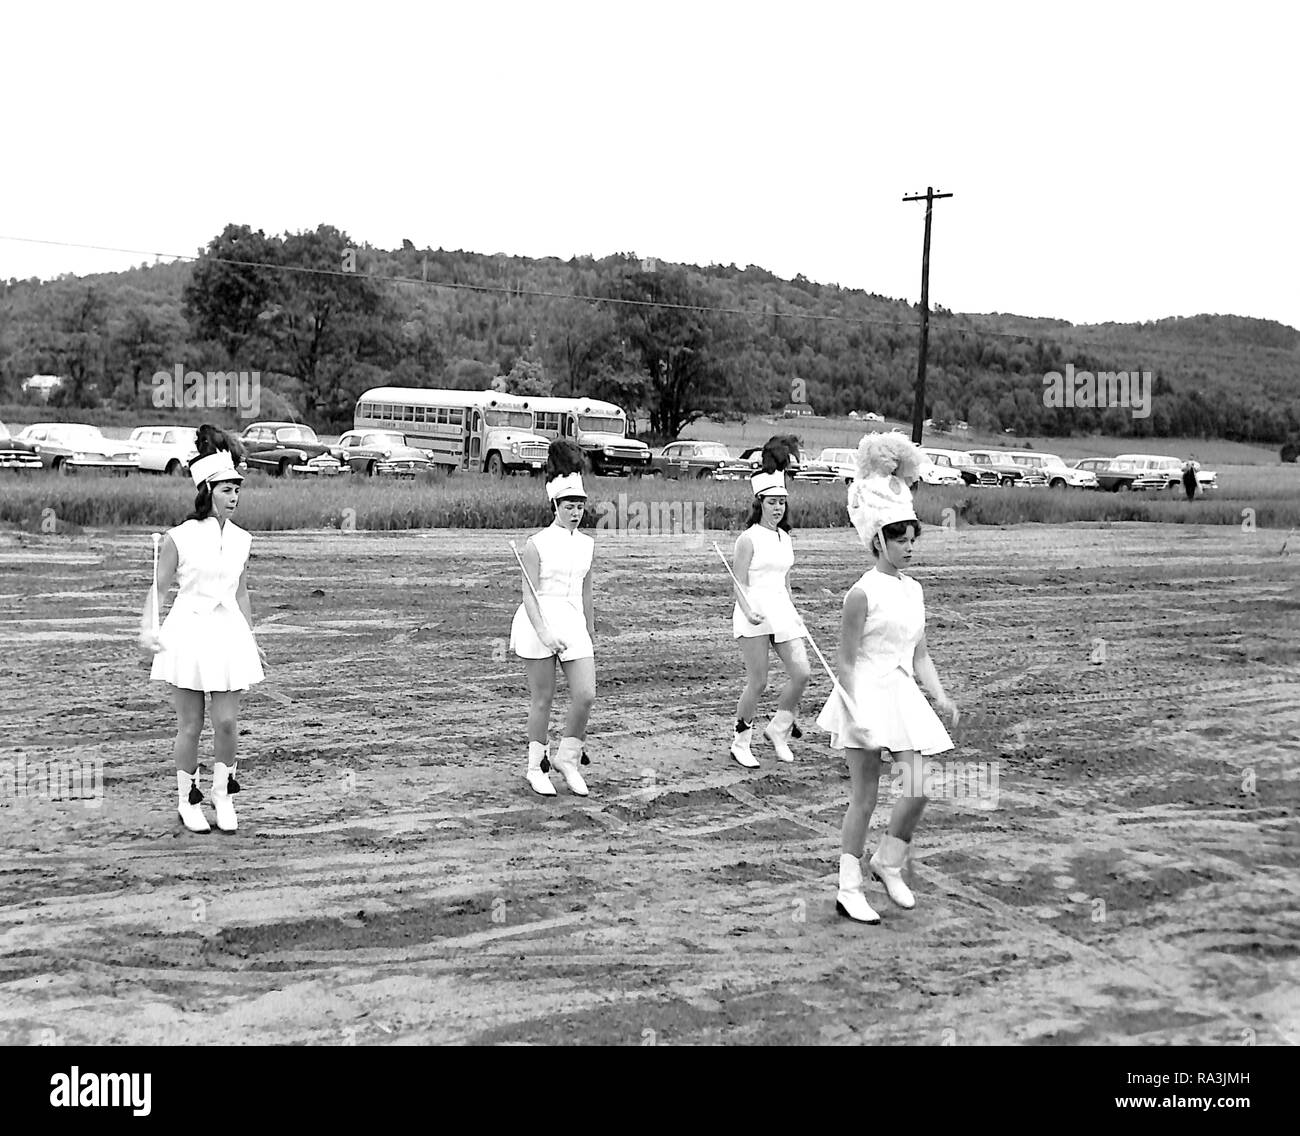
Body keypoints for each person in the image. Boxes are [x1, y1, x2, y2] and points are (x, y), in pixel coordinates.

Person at [816, 432, 960, 923]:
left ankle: (888, 861)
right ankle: (849, 886)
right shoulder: (860, 594)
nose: (909, 545)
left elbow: (919, 654)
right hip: (864, 697)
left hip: (901, 694)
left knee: (919, 785)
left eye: (913, 536)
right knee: (866, 796)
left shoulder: (915, 590)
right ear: (878, 538)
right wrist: (855, 712)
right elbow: (846, 659)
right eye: (900, 537)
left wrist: (939, 694)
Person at [139, 425, 265, 834]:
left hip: (228, 635)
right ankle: (187, 799)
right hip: (187, 635)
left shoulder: (244, 539)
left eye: (238, 490)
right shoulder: (179, 537)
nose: (235, 497)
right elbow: (158, 589)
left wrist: (252, 636)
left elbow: (241, 592)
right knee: (190, 725)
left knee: (227, 723)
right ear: (208, 490)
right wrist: (147, 628)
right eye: (228, 490)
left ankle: (222, 793)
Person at [510, 439, 596, 797]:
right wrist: (544, 632)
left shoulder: (588, 544)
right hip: (538, 623)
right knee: (543, 698)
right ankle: (536, 767)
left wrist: (589, 633)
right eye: (569, 506)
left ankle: (568, 758)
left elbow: (587, 592)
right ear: (555, 505)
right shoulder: (536, 544)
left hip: (573, 622)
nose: (575, 512)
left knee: (586, 694)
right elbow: (529, 594)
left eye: (579, 506)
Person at [728, 437, 811, 768]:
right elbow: (739, 583)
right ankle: (741, 740)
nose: (777, 508)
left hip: (782, 612)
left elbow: (786, 579)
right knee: (759, 681)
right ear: (759, 503)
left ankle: (779, 728)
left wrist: (795, 610)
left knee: (802, 673)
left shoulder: (785, 537)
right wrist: (749, 611)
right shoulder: (747, 539)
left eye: (781, 502)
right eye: (772, 502)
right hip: (754, 613)